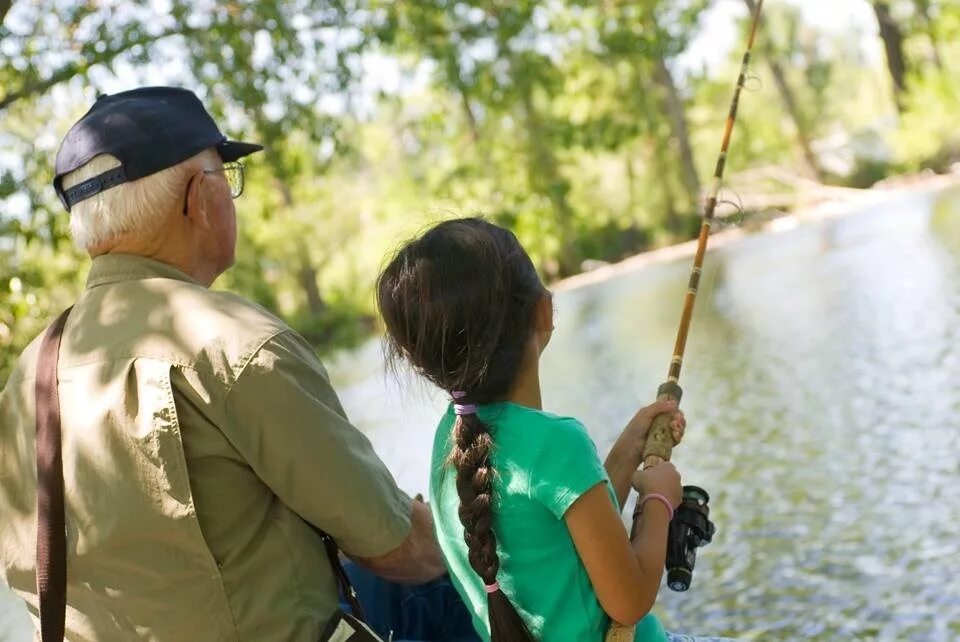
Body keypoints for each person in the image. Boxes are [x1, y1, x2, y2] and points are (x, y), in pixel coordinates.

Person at [0, 86, 454, 641]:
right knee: (448, 580)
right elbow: (398, 547)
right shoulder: (233, 342)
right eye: (226, 177)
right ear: (199, 197)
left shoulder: (26, 379)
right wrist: (479, 534)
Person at [376, 218, 734, 642]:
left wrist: (628, 451)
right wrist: (658, 500)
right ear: (543, 311)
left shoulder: (448, 441)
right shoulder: (557, 442)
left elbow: (562, 542)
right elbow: (630, 600)